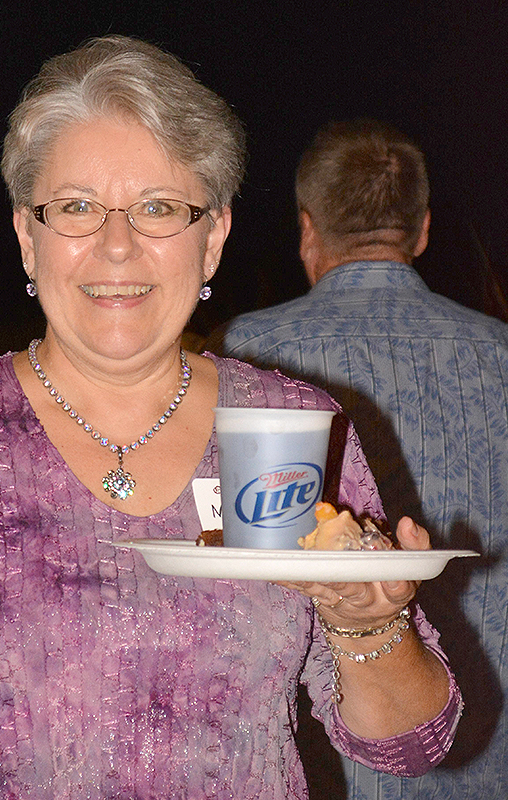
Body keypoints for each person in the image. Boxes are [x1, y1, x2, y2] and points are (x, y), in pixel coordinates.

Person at [0, 41, 460, 799]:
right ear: (28, 235)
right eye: (78, 208)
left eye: (158, 208)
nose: (116, 246)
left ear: (211, 237)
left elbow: (411, 745)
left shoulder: (290, 426)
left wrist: (367, 623)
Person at [216, 118, 508, 796]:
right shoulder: (500, 353)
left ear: (307, 229)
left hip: (326, 740)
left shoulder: (245, 351)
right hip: (488, 734)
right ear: (422, 228)